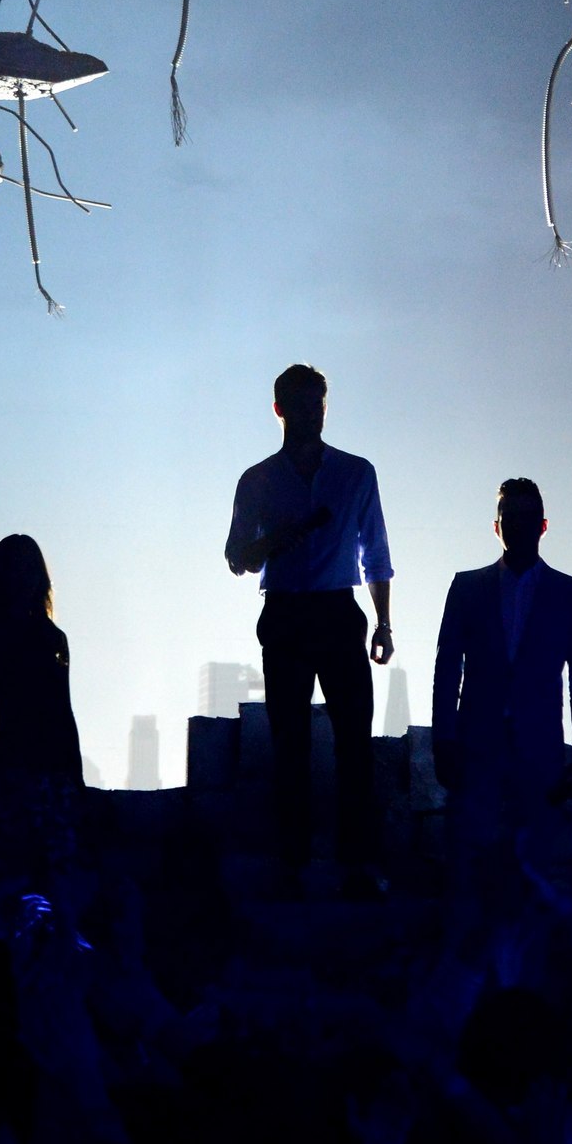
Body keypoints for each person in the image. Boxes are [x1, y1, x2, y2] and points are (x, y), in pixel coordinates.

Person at [225, 363, 394, 894]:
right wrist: (274, 540)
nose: (311, 414)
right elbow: (236, 558)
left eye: (318, 404)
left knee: (355, 743)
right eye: (300, 405)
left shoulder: (356, 473)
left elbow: (376, 554)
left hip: (339, 613)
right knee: (289, 743)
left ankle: (355, 866)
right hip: (285, 616)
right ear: (279, 410)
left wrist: (384, 623)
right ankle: (293, 865)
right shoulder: (256, 480)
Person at [432, 477, 572, 876]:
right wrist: (444, 740)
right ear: (497, 526)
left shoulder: (571, 594)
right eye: (510, 517)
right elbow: (446, 668)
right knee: (473, 865)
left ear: (543, 525)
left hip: (538, 747)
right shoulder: (467, 587)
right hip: (478, 745)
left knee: (533, 869)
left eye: (526, 517)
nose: (518, 525)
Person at [0, 533, 86, 896]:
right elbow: (63, 714)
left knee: (19, 890)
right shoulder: (50, 638)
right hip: (35, 774)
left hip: (19, 772)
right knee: (50, 889)